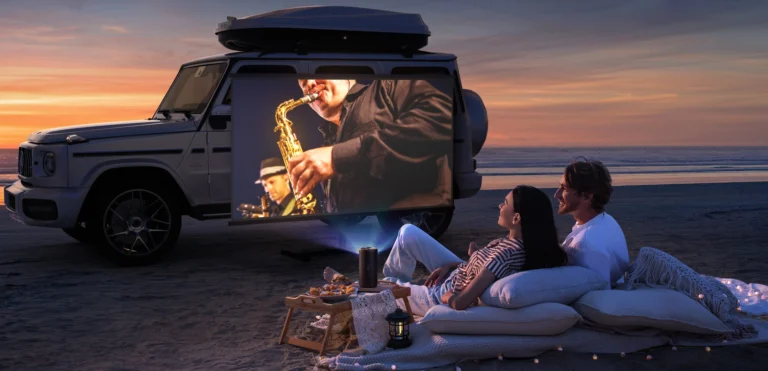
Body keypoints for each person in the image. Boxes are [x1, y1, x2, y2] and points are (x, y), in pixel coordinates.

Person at [381, 185, 568, 316]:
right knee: (408, 232)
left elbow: (461, 302)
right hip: (456, 272)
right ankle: (399, 291)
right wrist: (452, 265)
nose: (500, 206)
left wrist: (447, 297)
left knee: (383, 287)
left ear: (516, 218)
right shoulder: (518, 243)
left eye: (505, 203)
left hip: (440, 294)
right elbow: (486, 269)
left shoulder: (504, 255)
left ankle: (396, 296)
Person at [286, 78, 453, 214]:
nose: (309, 84)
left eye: (316, 73)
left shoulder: (386, 87)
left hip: (411, 228)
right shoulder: (327, 143)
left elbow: (443, 117)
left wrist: (337, 157)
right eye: (303, 84)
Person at [554, 158, 630, 290]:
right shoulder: (605, 220)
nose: (557, 194)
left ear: (587, 197)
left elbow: (599, 291)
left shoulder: (587, 244)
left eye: (564, 188)